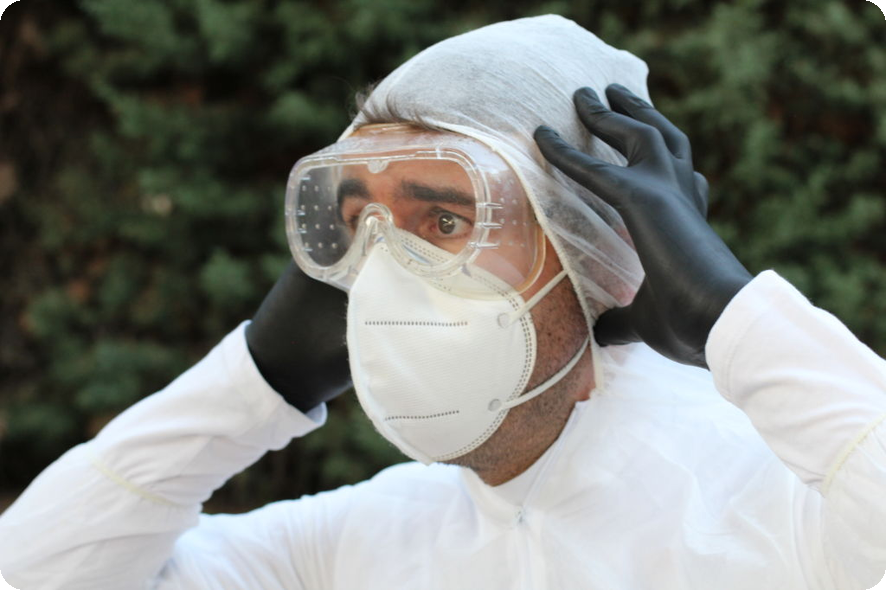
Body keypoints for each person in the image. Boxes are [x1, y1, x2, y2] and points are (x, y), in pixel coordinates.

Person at [1, 14, 885, 590]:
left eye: (446, 218)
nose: (387, 271)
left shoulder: (773, 498)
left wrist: (730, 314)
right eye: (360, 225)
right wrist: (255, 380)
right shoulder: (356, 544)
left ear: (594, 246)